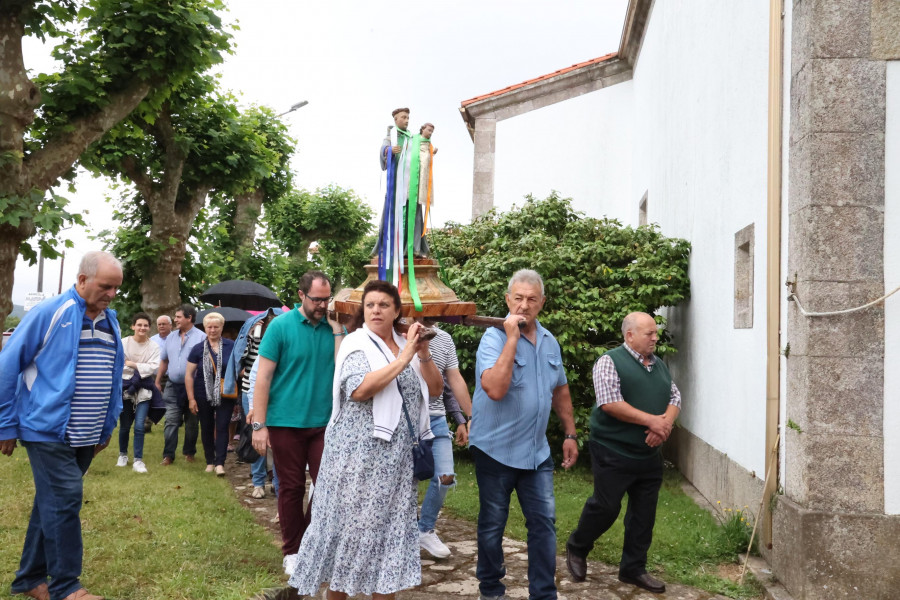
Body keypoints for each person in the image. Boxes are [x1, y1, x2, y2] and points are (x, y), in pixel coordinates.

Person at [288, 280, 442, 600]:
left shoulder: (407, 344)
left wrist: (422, 353)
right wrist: (405, 358)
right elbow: (359, 390)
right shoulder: (356, 343)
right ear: (363, 311)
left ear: (396, 311)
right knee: (350, 536)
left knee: (387, 539)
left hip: (396, 463)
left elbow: (436, 390)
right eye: (370, 305)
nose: (376, 310)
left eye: (384, 305)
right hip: (356, 461)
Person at [0, 250, 124, 600]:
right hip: (47, 429)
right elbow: (8, 366)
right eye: (105, 286)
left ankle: (29, 579)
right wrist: (5, 424)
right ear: (82, 280)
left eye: (116, 288)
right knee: (66, 498)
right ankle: (66, 586)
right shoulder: (49, 313)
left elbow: (113, 377)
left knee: (50, 503)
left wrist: (106, 425)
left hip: (88, 433)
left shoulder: (111, 320)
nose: (112, 294)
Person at [469, 269, 579, 600]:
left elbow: (560, 390)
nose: (524, 305)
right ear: (507, 299)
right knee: (492, 526)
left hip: (536, 453)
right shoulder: (492, 339)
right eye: (517, 298)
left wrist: (570, 433)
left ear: (541, 303)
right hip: (494, 451)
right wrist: (512, 337)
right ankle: (491, 590)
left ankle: (544, 594)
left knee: (544, 525)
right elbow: (496, 389)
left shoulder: (549, 342)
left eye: (531, 299)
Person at [564, 312, 681, 595]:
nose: (655, 338)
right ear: (630, 335)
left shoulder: (659, 366)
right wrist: (651, 421)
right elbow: (610, 403)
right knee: (606, 507)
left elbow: (674, 397)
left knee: (644, 515)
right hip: (613, 450)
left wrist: (664, 424)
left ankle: (633, 569)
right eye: (649, 334)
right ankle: (578, 547)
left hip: (649, 454)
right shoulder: (609, 362)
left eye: (655, 333)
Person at [251, 271, 345, 563]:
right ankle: (292, 550)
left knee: (329, 487)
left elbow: (343, 367)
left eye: (327, 299)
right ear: (301, 295)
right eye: (317, 299)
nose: (323, 305)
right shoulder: (280, 327)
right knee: (291, 488)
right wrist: (259, 425)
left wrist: (338, 329)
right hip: (285, 423)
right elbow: (263, 378)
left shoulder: (334, 327)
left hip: (324, 424)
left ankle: (309, 541)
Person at [418, 326, 472, 559]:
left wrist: (468, 418)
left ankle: (424, 529)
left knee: (445, 476)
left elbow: (451, 382)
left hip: (437, 418)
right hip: (406, 417)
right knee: (403, 481)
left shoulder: (445, 339)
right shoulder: (396, 333)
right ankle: (401, 534)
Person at [225, 307, 282, 498]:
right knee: (257, 439)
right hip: (252, 392)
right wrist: (252, 337)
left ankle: (276, 482)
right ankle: (258, 482)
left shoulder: (285, 343)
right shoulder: (255, 339)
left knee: (278, 442)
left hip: (279, 397)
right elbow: (243, 362)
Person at [185, 312, 235, 476]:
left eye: (216, 327)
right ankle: (209, 461)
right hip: (202, 393)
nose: (213, 330)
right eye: (209, 327)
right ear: (205, 328)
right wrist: (191, 399)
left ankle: (220, 463)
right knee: (206, 427)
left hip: (225, 393)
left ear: (222, 327)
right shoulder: (197, 349)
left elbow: (237, 368)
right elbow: (189, 375)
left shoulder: (231, 346)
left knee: (222, 427)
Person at [156, 304, 206, 465]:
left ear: (189, 318)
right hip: (172, 385)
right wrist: (157, 381)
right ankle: (168, 455)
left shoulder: (201, 337)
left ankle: (189, 452)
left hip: (193, 387)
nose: (175, 320)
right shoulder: (170, 337)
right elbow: (164, 360)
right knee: (171, 420)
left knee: (192, 422)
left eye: (178, 317)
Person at [116, 312, 161, 474]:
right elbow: (120, 364)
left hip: (145, 388)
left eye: (146, 325)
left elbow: (153, 366)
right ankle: (122, 455)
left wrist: (132, 364)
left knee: (140, 425)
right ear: (133, 326)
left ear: (149, 328)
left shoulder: (154, 346)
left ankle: (138, 460)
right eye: (139, 325)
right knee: (125, 425)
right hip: (126, 387)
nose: (142, 328)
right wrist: (139, 366)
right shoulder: (123, 343)